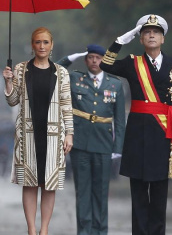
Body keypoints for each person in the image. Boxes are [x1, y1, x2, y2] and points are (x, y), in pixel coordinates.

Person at [99, 14, 172, 235]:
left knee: (159, 193)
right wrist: (119, 41)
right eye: (146, 32)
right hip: (137, 134)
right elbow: (105, 64)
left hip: (163, 133)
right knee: (138, 192)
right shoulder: (132, 63)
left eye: (155, 32)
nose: (151, 35)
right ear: (140, 39)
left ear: (163, 38)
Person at [2, 27, 74, 235]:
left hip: (53, 135)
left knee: (49, 184)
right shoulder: (21, 69)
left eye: (45, 42)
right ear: (32, 45)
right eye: (37, 42)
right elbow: (12, 100)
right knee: (30, 182)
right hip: (28, 134)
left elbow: (66, 104)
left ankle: (44, 230)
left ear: (51, 45)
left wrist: (69, 133)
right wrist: (8, 81)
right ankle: (32, 230)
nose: (41, 46)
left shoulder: (61, 72)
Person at [56, 44, 125, 235]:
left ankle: (100, 231)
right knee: (83, 192)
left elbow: (120, 120)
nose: (95, 61)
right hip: (80, 143)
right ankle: (84, 231)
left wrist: (117, 147)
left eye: (98, 58)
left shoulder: (115, 84)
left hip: (103, 145)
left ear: (105, 60)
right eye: (90, 57)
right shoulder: (75, 78)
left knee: (101, 193)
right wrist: (70, 58)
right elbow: (54, 72)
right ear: (85, 60)